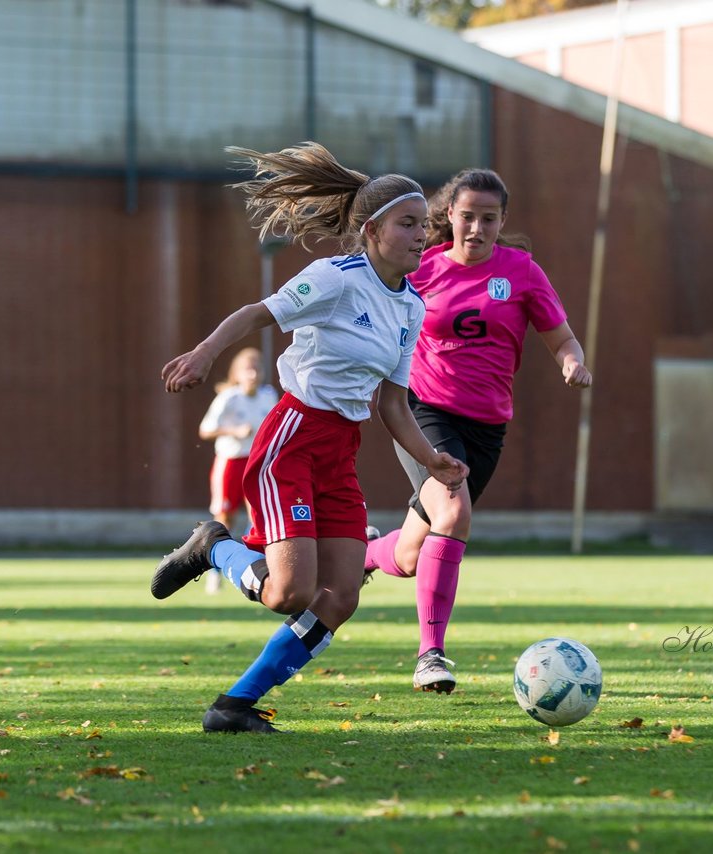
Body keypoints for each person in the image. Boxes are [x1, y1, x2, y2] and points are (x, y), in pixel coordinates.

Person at [149, 142, 469, 734]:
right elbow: (256, 313)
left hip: (341, 451)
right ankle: (212, 547)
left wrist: (433, 462)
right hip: (291, 439)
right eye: (408, 223)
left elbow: (393, 404)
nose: (422, 235)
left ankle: (234, 705)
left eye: (425, 225)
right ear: (372, 230)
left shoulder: (412, 308)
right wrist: (203, 353)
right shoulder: (335, 278)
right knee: (289, 594)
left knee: (342, 596)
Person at [362, 168, 592, 694]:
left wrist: (571, 363)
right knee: (454, 510)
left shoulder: (522, 272)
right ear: (450, 216)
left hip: (488, 426)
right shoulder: (421, 271)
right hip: (426, 410)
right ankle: (431, 654)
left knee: (409, 554)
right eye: (468, 216)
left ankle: (362, 556)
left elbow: (562, 339)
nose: (477, 228)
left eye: (489, 219)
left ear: (502, 221)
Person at [197, 347, 278, 593]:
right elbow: (205, 429)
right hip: (231, 462)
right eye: (247, 368)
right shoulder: (229, 397)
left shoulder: (268, 395)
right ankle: (214, 571)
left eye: (257, 368)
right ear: (237, 373)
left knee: (258, 517)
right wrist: (234, 431)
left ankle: (251, 567)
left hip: (256, 463)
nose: (253, 373)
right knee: (225, 517)